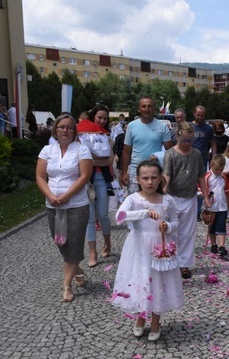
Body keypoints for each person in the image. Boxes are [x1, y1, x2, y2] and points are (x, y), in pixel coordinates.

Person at [111, 158, 183, 342]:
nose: (149, 182)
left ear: (160, 179)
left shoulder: (167, 200)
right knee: (142, 279)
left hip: (159, 247)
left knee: (159, 282)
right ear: (138, 179)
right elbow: (120, 216)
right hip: (139, 247)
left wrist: (167, 226)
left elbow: (176, 222)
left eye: (153, 177)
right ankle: (141, 316)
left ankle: (156, 321)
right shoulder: (133, 199)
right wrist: (143, 213)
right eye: (145, 178)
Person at [34, 113, 93, 302]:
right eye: (62, 127)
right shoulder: (46, 150)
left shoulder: (81, 150)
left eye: (69, 127)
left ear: (74, 131)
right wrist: (51, 196)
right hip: (53, 204)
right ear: (55, 130)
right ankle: (77, 268)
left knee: (73, 243)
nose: (65, 130)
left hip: (76, 205)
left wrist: (66, 196)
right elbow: (40, 176)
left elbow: (84, 177)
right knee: (60, 241)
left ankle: (66, 286)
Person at [163, 122, 211, 279]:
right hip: (172, 197)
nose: (187, 144)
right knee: (172, 231)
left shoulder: (196, 154)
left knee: (187, 233)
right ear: (178, 136)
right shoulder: (170, 154)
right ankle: (170, 260)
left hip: (190, 197)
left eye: (190, 141)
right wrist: (161, 197)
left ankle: (184, 264)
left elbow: (200, 177)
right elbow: (167, 177)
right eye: (184, 140)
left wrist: (205, 196)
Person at [78, 104, 115, 268]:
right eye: (99, 117)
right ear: (93, 117)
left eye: (105, 118)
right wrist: (95, 159)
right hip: (86, 179)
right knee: (90, 218)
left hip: (102, 178)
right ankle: (92, 253)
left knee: (103, 215)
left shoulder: (107, 136)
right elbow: (84, 158)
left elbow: (108, 160)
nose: (102, 120)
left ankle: (107, 242)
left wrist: (93, 159)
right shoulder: (82, 135)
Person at [120, 97, 173, 194]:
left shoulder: (162, 126)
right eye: (143, 106)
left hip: (154, 173)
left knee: (154, 204)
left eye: (149, 106)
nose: (146, 109)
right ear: (139, 109)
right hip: (135, 172)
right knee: (136, 204)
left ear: (153, 109)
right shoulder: (132, 126)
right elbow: (126, 151)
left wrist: (160, 159)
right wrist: (124, 173)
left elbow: (170, 152)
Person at [204, 155, 229, 257]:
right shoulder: (207, 177)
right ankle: (213, 244)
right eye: (217, 169)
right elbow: (200, 190)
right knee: (212, 227)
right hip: (211, 207)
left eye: (221, 169)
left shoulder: (223, 177)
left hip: (222, 206)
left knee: (221, 226)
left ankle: (222, 246)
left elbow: (227, 190)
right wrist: (205, 195)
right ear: (211, 165)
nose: (219, 171)